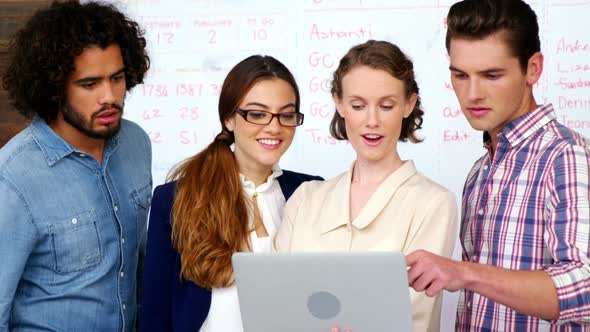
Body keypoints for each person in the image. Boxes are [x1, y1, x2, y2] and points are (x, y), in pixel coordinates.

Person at [406, 0, 590, 331]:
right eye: (460, 75)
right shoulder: (479, 173)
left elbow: (585, 285)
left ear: (533, 68)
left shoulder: (565, 155)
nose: (472, 94)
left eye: (491, 75)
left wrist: (463, 272)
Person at [274, 40, 458, 332]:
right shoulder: (307, 198)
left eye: (386, 105)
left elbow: (412, 314)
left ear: (409, 104)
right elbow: (278, 298)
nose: (372, 121)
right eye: (358, 105)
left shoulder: (433, 203)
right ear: (339, 103)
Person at [140, 55, 322, 332]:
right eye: (257, 113)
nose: (274, 127)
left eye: (286, 114)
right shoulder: (177, 198)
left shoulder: (311, 192)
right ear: (228, 119)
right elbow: (156, 314)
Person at [0, 1, 151, 331]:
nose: (109, 97)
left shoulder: (136, 145)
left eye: (117, 78)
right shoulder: (12, 179)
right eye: (89, 84)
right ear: (54, 87)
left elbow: (140, 270)